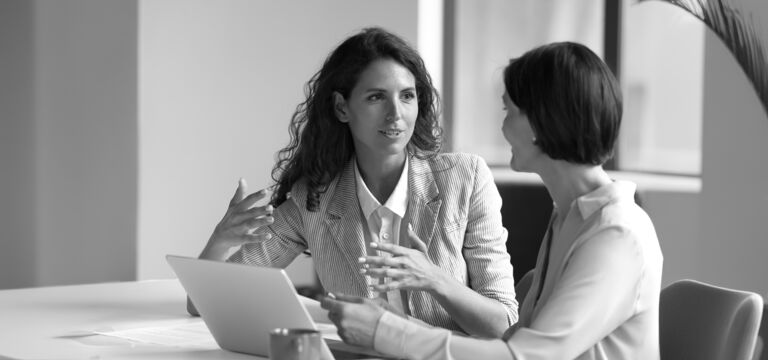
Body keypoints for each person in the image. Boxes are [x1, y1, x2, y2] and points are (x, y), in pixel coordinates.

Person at [321, 41, 664, 359]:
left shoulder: (615, 234)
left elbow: (524, 356)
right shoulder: (570, 217)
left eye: (509, 111)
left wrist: (385, 332)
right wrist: (398, 319)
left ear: (541, 123)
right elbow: (513, 340)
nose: (502, 127)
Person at [188, 27, 518, 336]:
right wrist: (221, 240)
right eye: (376, 97)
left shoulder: (466, 178)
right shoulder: (313, 200)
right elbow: (204, 303)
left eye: (407, 96)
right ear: (342, 107)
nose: (395, 114)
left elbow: (504, 325)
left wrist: (435, 280)